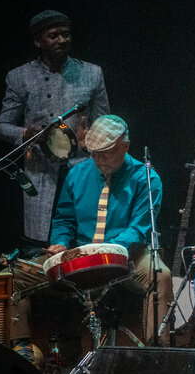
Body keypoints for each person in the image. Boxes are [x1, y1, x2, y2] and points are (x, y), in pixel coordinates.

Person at [11, 115, 172, 358]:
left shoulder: (146, 178)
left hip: (126, 255)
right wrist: (61, 242)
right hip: (78, 253)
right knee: (13, 276)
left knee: (161, 276)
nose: (99, 159)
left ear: (125, 146)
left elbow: (139, 229)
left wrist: (107, 251)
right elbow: (64, 218)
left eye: (106, 153)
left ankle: (157, 356)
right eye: (94, 153)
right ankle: (20, 353)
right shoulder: (78, 174)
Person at [0, 10, 110, 246]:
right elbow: (2, 126)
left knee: (83, 238)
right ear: (38, 41)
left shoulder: (91, 73)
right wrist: (27, 133)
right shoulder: (19, 77)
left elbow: (106, 123)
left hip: (82, 168)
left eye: (66, 34)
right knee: (42, 243)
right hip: (40, 171)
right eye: (53, 35)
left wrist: (91, 137)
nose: (61, 40)